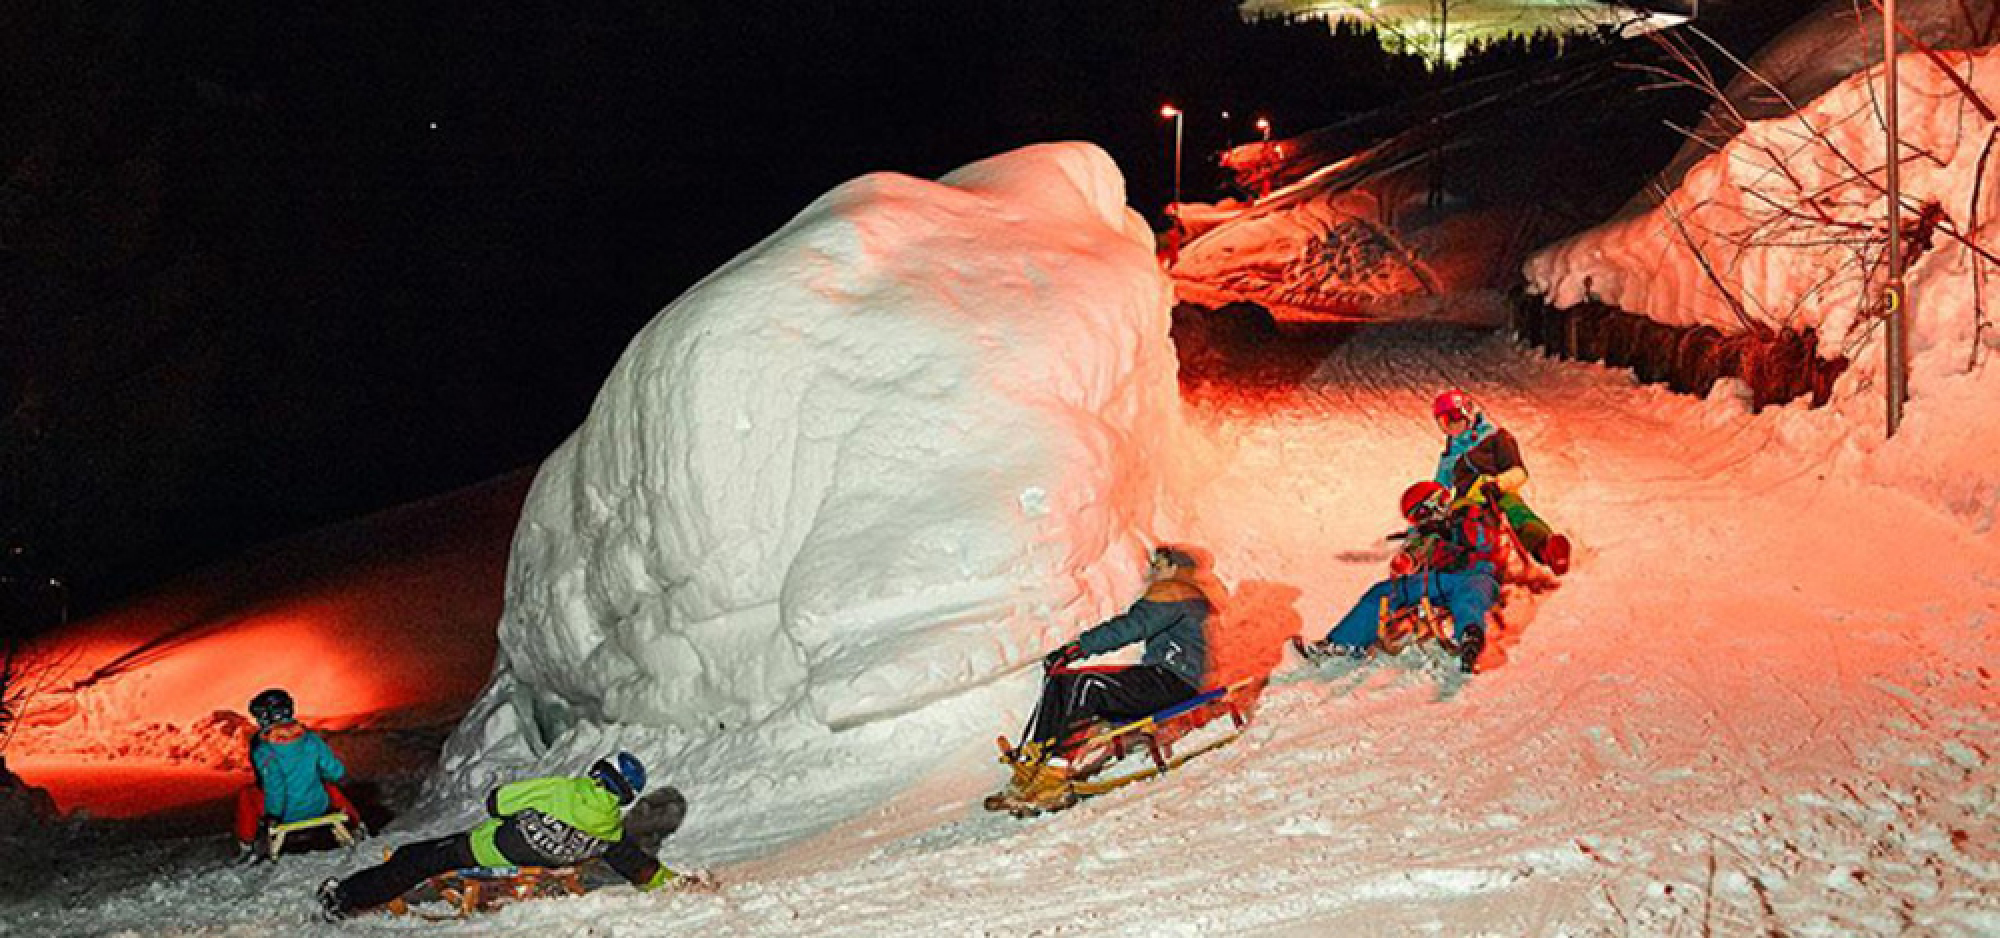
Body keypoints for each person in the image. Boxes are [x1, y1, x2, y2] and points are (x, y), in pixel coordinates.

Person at [316, 752, 687, 920]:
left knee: (415, 858)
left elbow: (497, 802)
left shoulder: (562, 790)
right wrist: (668, 881)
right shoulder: (612, 828)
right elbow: (634, 864)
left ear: (598, 772)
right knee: (425, 855)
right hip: (544, 865)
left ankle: (344, 898)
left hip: (488, 851)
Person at [986, 546, 1215, 815]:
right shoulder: (1184, 597)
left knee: (1088, 684)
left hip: (1174, 682)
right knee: (1062, 681)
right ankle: (1035, 762)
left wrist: (1077, 648)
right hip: (1161, 677)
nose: (1152, 572)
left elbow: (1130, 627)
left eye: (1159, 566)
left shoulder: (1176, 592)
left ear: (1174, 568)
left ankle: (1054, 776)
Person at [1299, 480, 1500, 673]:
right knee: (1383, 591)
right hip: (1436, 580)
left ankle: (1470, 639)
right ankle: (1342, 644)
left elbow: (1486, 541)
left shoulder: (1467, 512)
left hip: (1474, 574)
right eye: (1417, 518)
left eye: (1421, 514)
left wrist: (1451, 530)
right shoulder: (1424, 532)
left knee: (1469, 598)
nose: (1422, 521)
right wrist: (1407, 560)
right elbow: (1411, 555)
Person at [1430, 389, 1571, 576]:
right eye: (1444, 423)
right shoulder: (1450, 456)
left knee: (1515, 510)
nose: (1450, 428)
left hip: (1498, 492)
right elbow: (1438, 489)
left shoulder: (1495, 438)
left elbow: (1519, 472)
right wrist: (1426, 508)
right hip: (1467, 500)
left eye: (1453, 419)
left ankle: (1545, 546)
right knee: (1457, 522)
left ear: (1467, 414)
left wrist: (1498, 484)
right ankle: (1447, 562)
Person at [234, 688, 359, 860]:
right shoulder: (312, 740)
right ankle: (355, 824)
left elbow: (275, 786)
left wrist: (274, 815)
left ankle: (247, 844)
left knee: (247, 795)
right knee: (328, 787)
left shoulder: (264, 750)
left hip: (285, 813)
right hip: (318, 806)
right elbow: (336, 772)